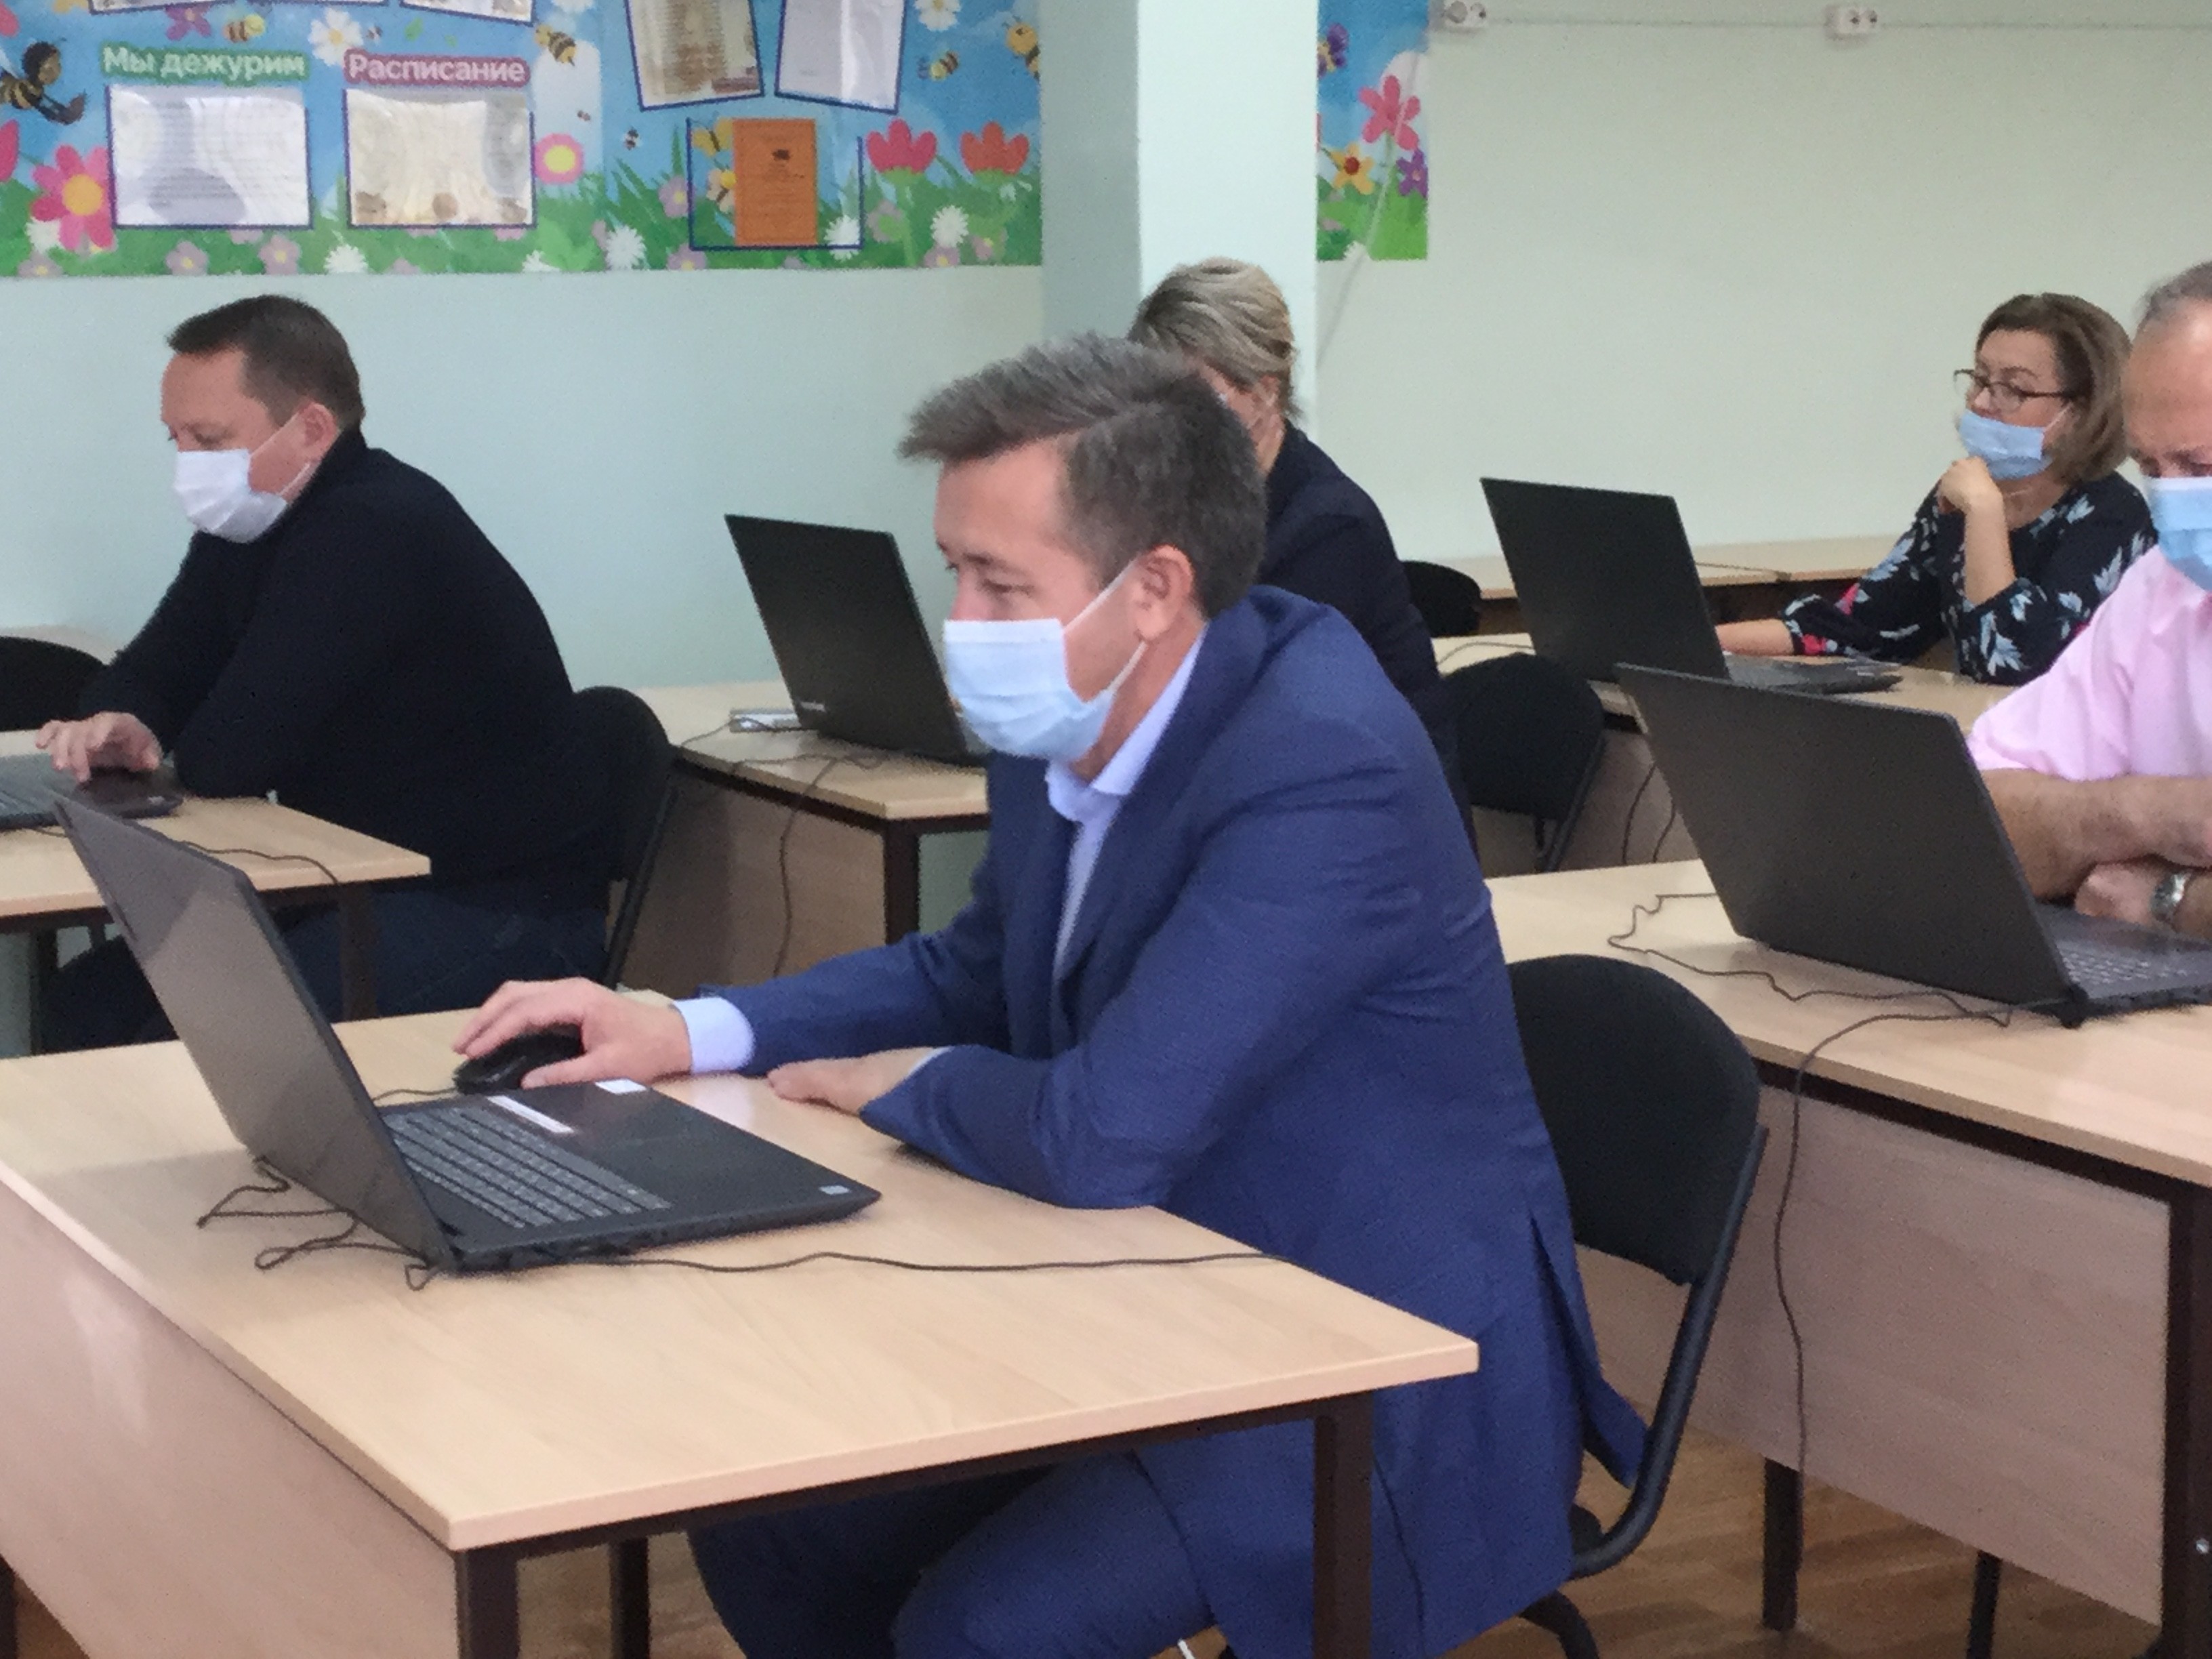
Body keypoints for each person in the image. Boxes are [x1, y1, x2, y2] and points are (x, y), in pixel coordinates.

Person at [457, 335, 1642, 1659]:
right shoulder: (1068, 702)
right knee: (772, 1527)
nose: (962, 623)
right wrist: (688, 1028)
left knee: (983, 1632)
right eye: (953, 570)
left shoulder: (1322, 759)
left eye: (1001, 582)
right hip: (1133, 1273)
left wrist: (907, 1084)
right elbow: (975, 968)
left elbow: (1100, 1132)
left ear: (1155, 588)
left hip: (1360, 1347)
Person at [39, 295, 609, 1048]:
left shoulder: (375, 526)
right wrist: (124, 720)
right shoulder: (250, 520)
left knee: (197, 1038)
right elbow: (150, 668)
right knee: (85, 1003)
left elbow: (230, 757)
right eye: (176, 439)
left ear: (310, 429)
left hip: (494, 907)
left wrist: (163, 729)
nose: (189, 464)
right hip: (357, 879)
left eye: (210, 439)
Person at [1128, 257, 1463, 798]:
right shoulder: (1192, 501)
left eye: (1194, 400)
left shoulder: (1329, 526)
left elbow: (1256, 702)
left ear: (1264, 394)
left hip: (1367, 801)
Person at [1717, 293, 2152, 684]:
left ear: (2080, 412)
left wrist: (1984, 513)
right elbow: (1865, 626)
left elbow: (2012, 662)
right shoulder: (1965, 497)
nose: (1981, 402)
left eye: (2012, 389)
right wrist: (1701, 643)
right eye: (1980, 379)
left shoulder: (2111, 516)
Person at [1966, 262, 2212, 938]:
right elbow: (1978, 814)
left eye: (2201, 466)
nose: (2172, 500)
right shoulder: (2165, 587)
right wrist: (2150, 814)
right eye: (2151, 467)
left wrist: (2170, 897)